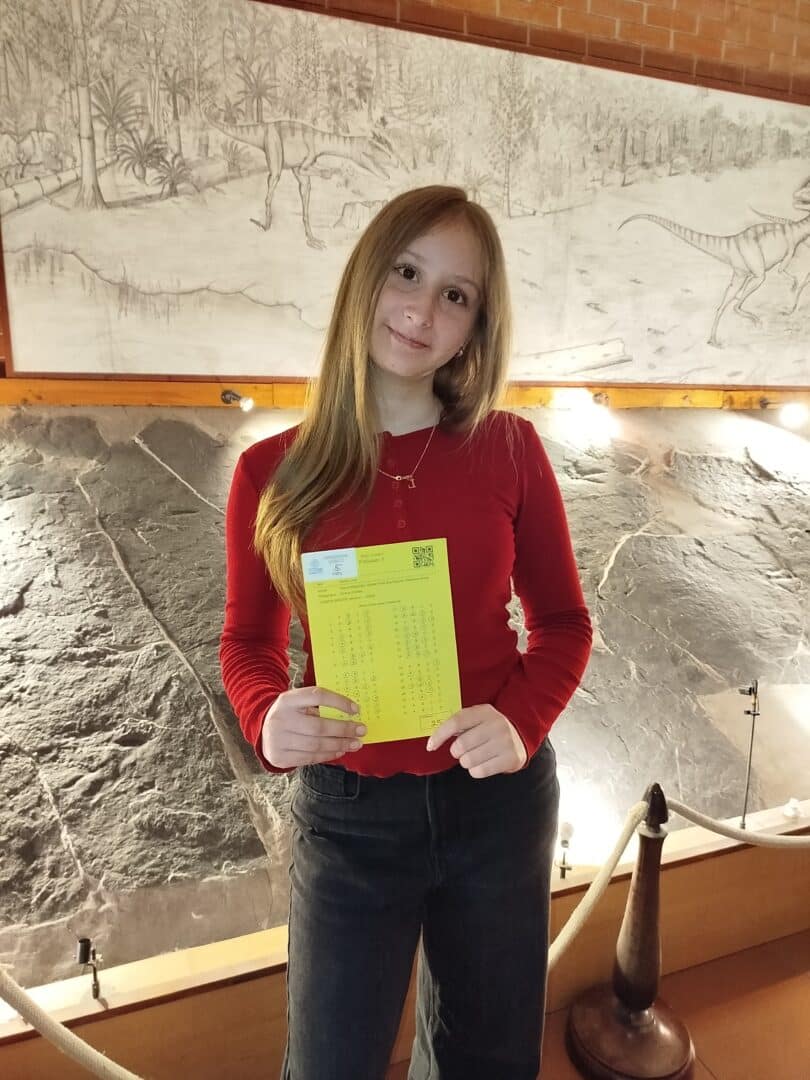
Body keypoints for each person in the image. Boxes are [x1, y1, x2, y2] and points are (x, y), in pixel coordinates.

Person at [219, 185, 592, 1080]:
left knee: (488, 1061)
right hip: (351, 814)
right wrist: (267, 717)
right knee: (330, 1062)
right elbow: (248, 643)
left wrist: (522, 721)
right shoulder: (273, 471)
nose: (423, 312)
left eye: (456, 295)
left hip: (497, 804)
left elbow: (564, 623)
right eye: (407, 273)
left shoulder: (510, 449)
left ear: (476, 326)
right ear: (365, 279)